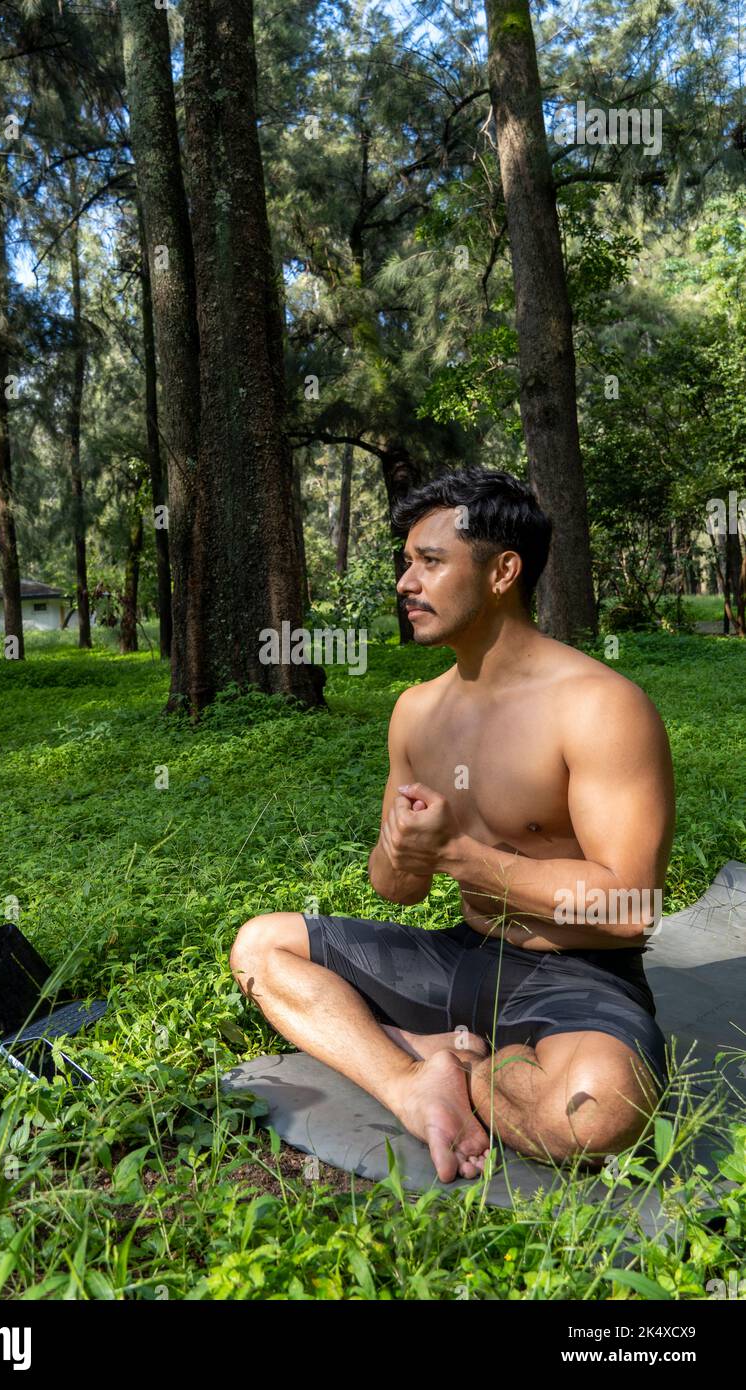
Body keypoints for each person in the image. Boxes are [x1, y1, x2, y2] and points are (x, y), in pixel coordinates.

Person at [230, 467, 675, 1183]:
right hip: (461, 956)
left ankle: (460, 1062)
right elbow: (395, 889)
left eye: (430, 561)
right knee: (261, 947)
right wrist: (404, 850)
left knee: (596, 1112)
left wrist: (462, 857)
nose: (406, 581)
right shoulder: (416, 709)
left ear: (503, 571)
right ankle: (412, 1083)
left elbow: (631, 908)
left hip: (575, 973)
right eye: (406, 562)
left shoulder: (600, 706)